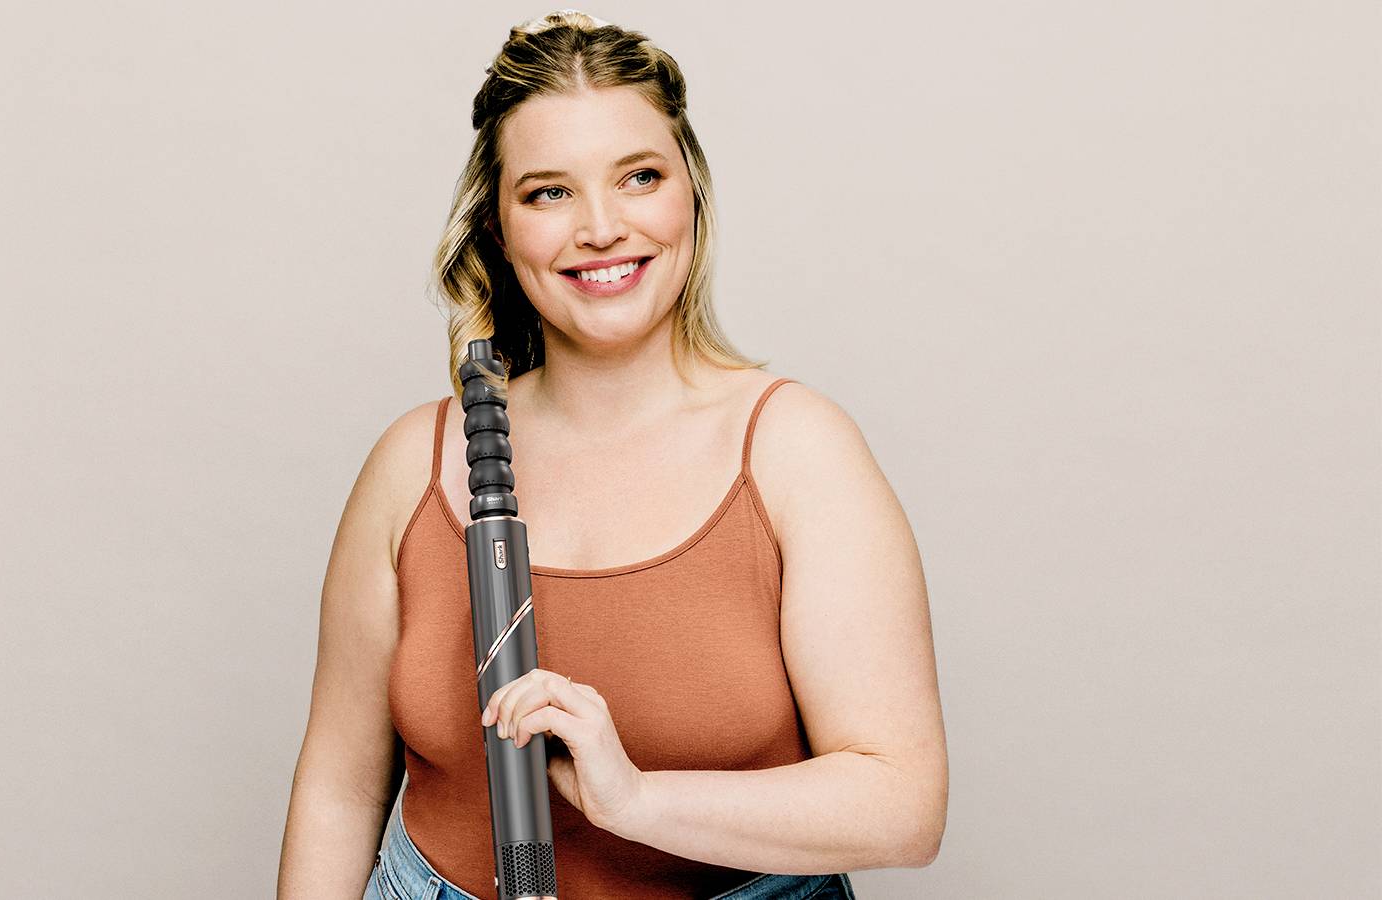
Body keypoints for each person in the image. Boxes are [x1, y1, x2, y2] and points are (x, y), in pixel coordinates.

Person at [278, 10, 947, 899]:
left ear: (690, 193)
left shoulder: (797, 451)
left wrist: (634, 799)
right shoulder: (416, 463)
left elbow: (903, 806)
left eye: (639, 177)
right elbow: (339, 790)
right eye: (548, 192)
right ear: (498, 227)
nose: (600, 227)